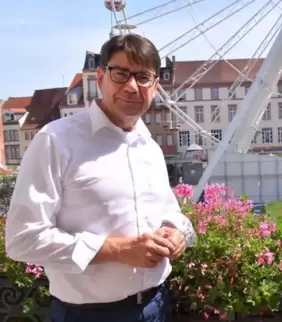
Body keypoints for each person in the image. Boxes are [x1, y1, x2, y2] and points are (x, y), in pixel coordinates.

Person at [5, 34, 196, 322]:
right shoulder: (55, 140)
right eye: (121, 74)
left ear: (155, 86)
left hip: (157, 304)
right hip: (88, 314)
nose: (132, 86)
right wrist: (116, 250)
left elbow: (170, 210)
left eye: (143, 77)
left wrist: (176, 231)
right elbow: (22, 239)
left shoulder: (150, 147)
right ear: (100, 77)